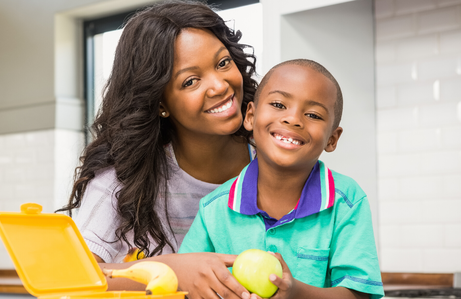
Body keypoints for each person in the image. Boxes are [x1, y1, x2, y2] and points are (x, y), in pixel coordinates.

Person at [57, 1, 258, 298]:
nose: (219, 85)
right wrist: (171, 271)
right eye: (191, 81)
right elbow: (70, 277)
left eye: (223, 63)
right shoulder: (123, 179)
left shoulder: (272, 158)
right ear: (160, 103)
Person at [179, 59, 385, 299]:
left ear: (332, 139)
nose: (293, 119)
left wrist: (296, 294)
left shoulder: (347, 201)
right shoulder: (213, 209)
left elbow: (358, 295)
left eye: (313, 115)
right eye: (278, 104)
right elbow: (186, 284)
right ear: (250, 116)